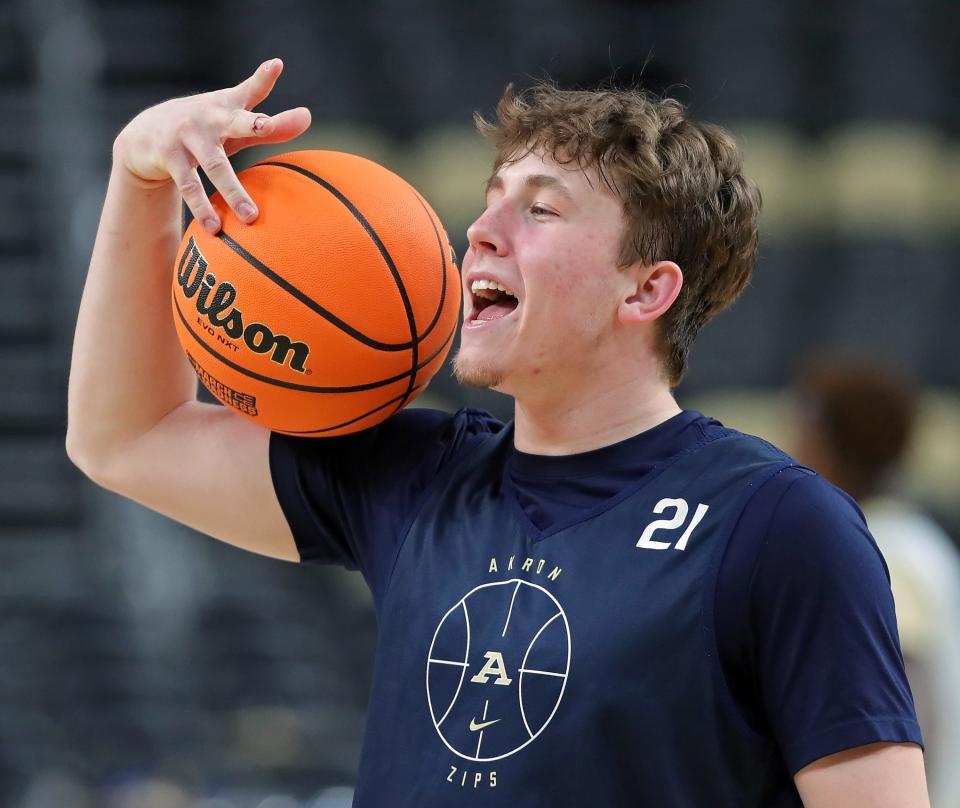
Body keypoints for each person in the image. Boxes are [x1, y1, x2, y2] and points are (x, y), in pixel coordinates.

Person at [66, 59, 929, 807]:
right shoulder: (413, 474)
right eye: (490, 200)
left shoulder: (779, 525)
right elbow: (124, 437)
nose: (480, 231)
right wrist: (140, 183)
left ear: (645, 292)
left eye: (540, 211)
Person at [794, 356, 960, 808]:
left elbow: (904, 712)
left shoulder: (883, 548)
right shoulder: (907, 535)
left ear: (836, 443)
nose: (792, 445)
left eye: (805, 430)